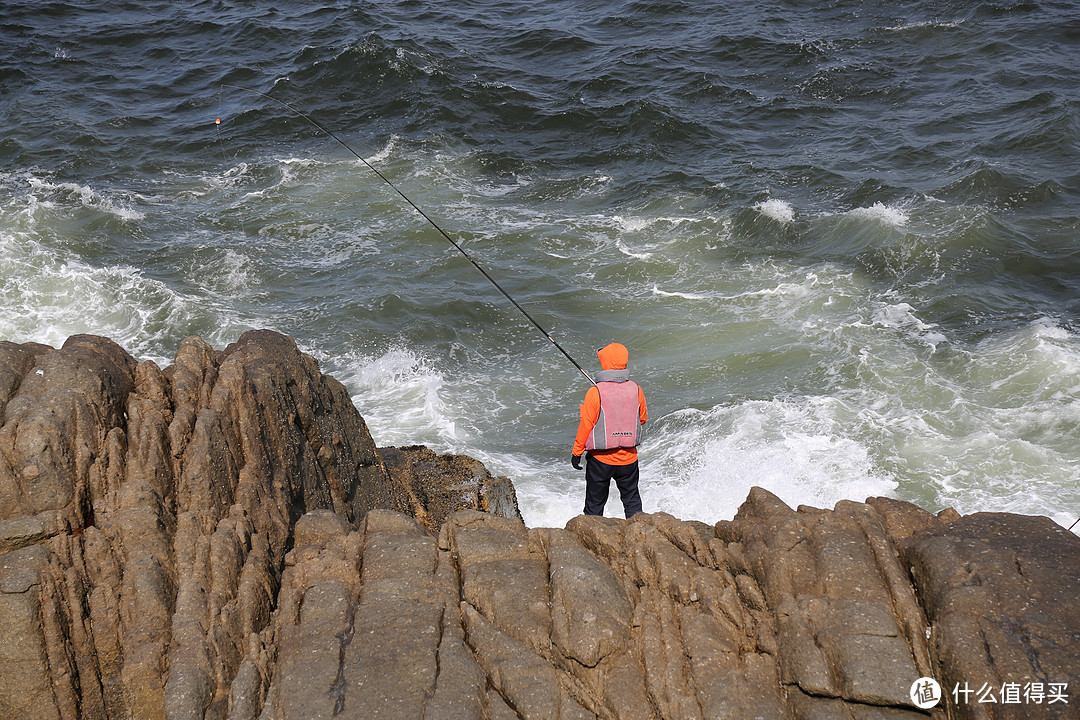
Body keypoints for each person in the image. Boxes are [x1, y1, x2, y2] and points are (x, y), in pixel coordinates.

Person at [571, 342, 648, 518]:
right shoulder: (636, 389)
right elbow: (642, 419)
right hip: (629, 460)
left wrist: (577, 453)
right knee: (632, 503)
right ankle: (640, 537)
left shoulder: (595, 392)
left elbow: (586, 424)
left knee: (594, 507)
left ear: (605, 362)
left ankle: (592, 540)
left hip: (600, 461)